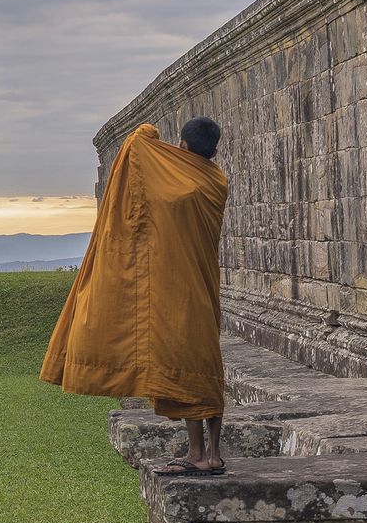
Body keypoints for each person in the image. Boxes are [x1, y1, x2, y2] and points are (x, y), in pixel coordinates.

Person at [39, 117, 229, 477]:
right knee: (206, 364)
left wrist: (148, 133)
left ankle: (197, 453)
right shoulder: (216, 180)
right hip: (204, 284)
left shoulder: (180, 183)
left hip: (180, 288)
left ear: (183, 148)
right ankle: (213, 453)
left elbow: (137, 148)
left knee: (186, 363)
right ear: (214, 150)